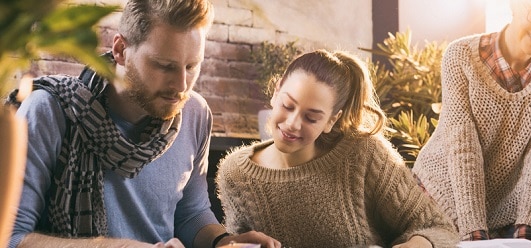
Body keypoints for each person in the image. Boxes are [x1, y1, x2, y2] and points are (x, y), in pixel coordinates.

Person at [6, 0, 279, 247]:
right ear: (121, 50)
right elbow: (11, 237)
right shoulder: (49, 110)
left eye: (192, 66)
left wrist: (224, 242)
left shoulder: (195, 112)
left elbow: (191, 213)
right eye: (165, 66)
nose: (181, 86)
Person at [215, 50, 459, 248]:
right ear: (276, 91)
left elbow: (437, 228)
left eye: (311, 118)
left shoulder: (364, 154)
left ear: (332, 120)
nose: (292, 124)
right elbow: (237, 242)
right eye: (288, 105)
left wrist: (413, 246)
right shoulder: (235, 172)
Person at [411, 0, 531, 241]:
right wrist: (473, 233)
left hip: (503, 207)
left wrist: (529, 232)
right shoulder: (461, 56)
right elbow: (463, 147)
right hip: (441, 194)